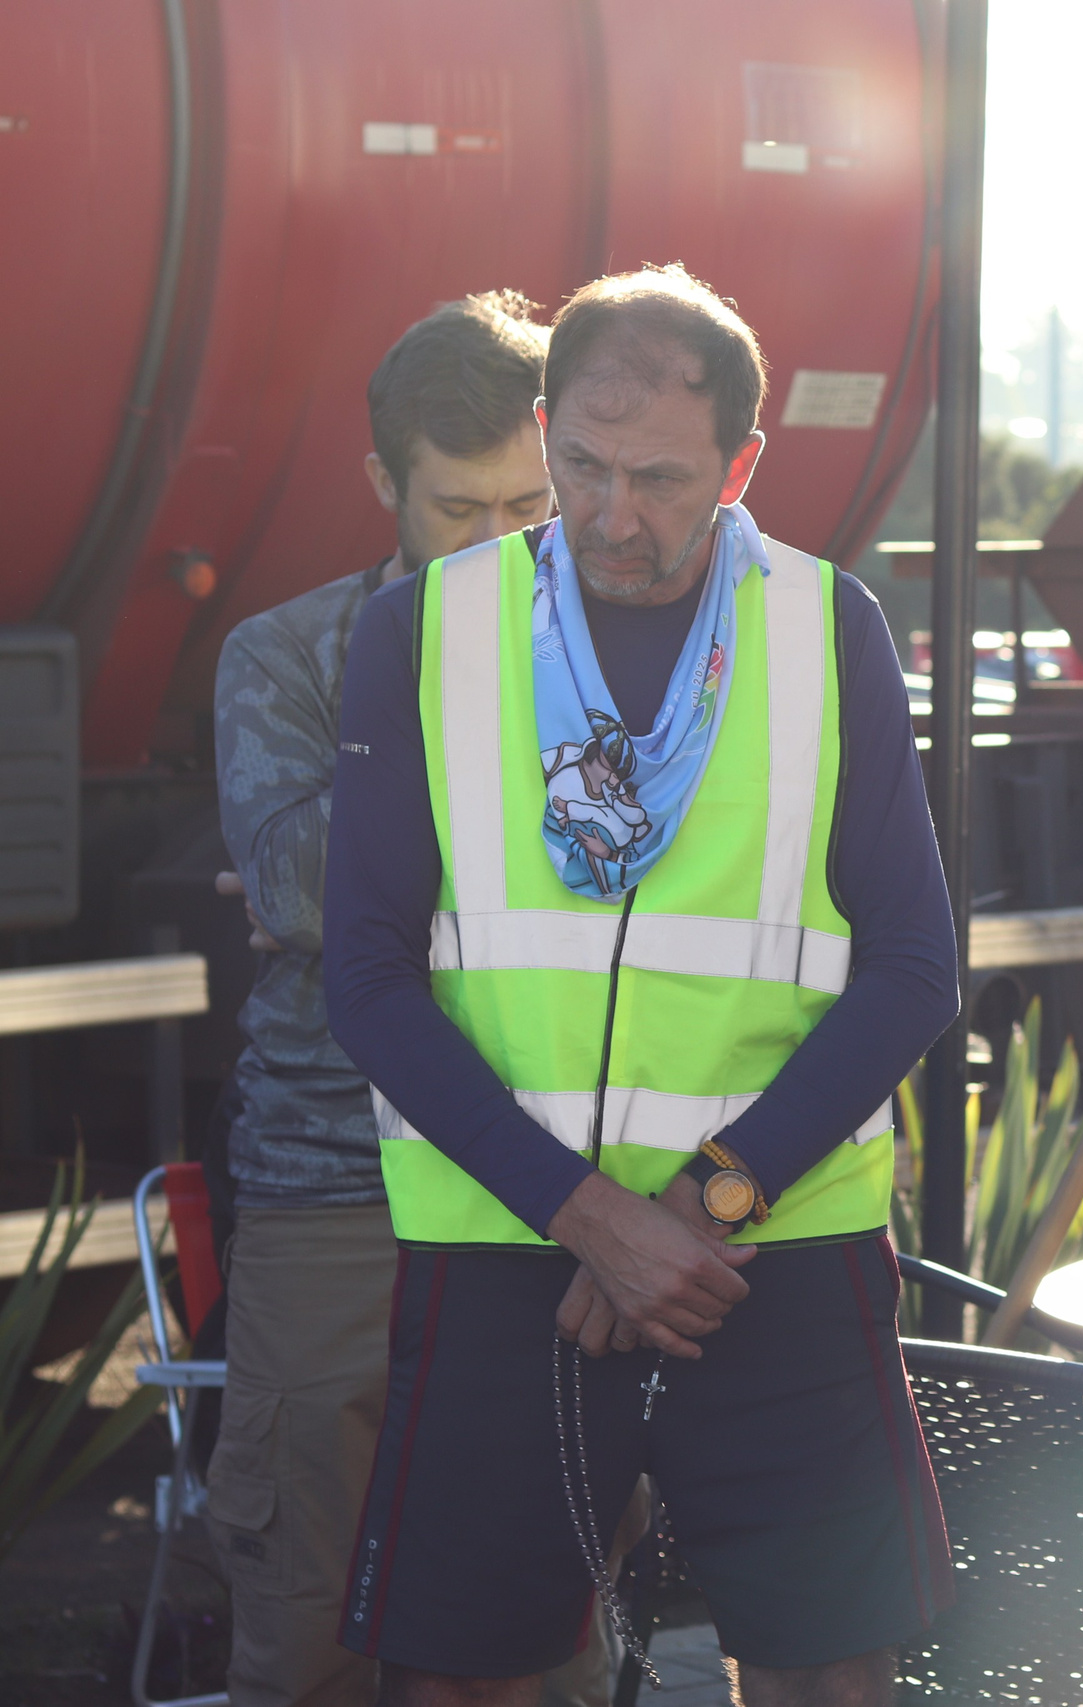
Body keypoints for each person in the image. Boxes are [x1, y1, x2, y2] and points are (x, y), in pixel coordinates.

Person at [322, 264, 957, 1707]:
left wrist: (702, 1206)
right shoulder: (416, 630)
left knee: (827, 1677)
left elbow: (917, 967)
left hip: (767, 1252)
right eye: (584, 467)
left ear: (741, 462)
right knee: (459, 1680)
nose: (614, 516)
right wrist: (590, 1216)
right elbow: (363, 975)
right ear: (544, 428)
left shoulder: (827, 624)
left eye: (664, 478)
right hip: (507, 1252)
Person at [205, 290, 598, 1707]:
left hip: (551, 1185)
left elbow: (328, 892)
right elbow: (302, 880)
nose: (501, 546)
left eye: (527, 508)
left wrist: (377, 862)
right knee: (313, 1621)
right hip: (336, 1188)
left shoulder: (631, 659)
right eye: (458, 510)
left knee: (546, 1629)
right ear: (383, 486)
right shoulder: (287, 652)